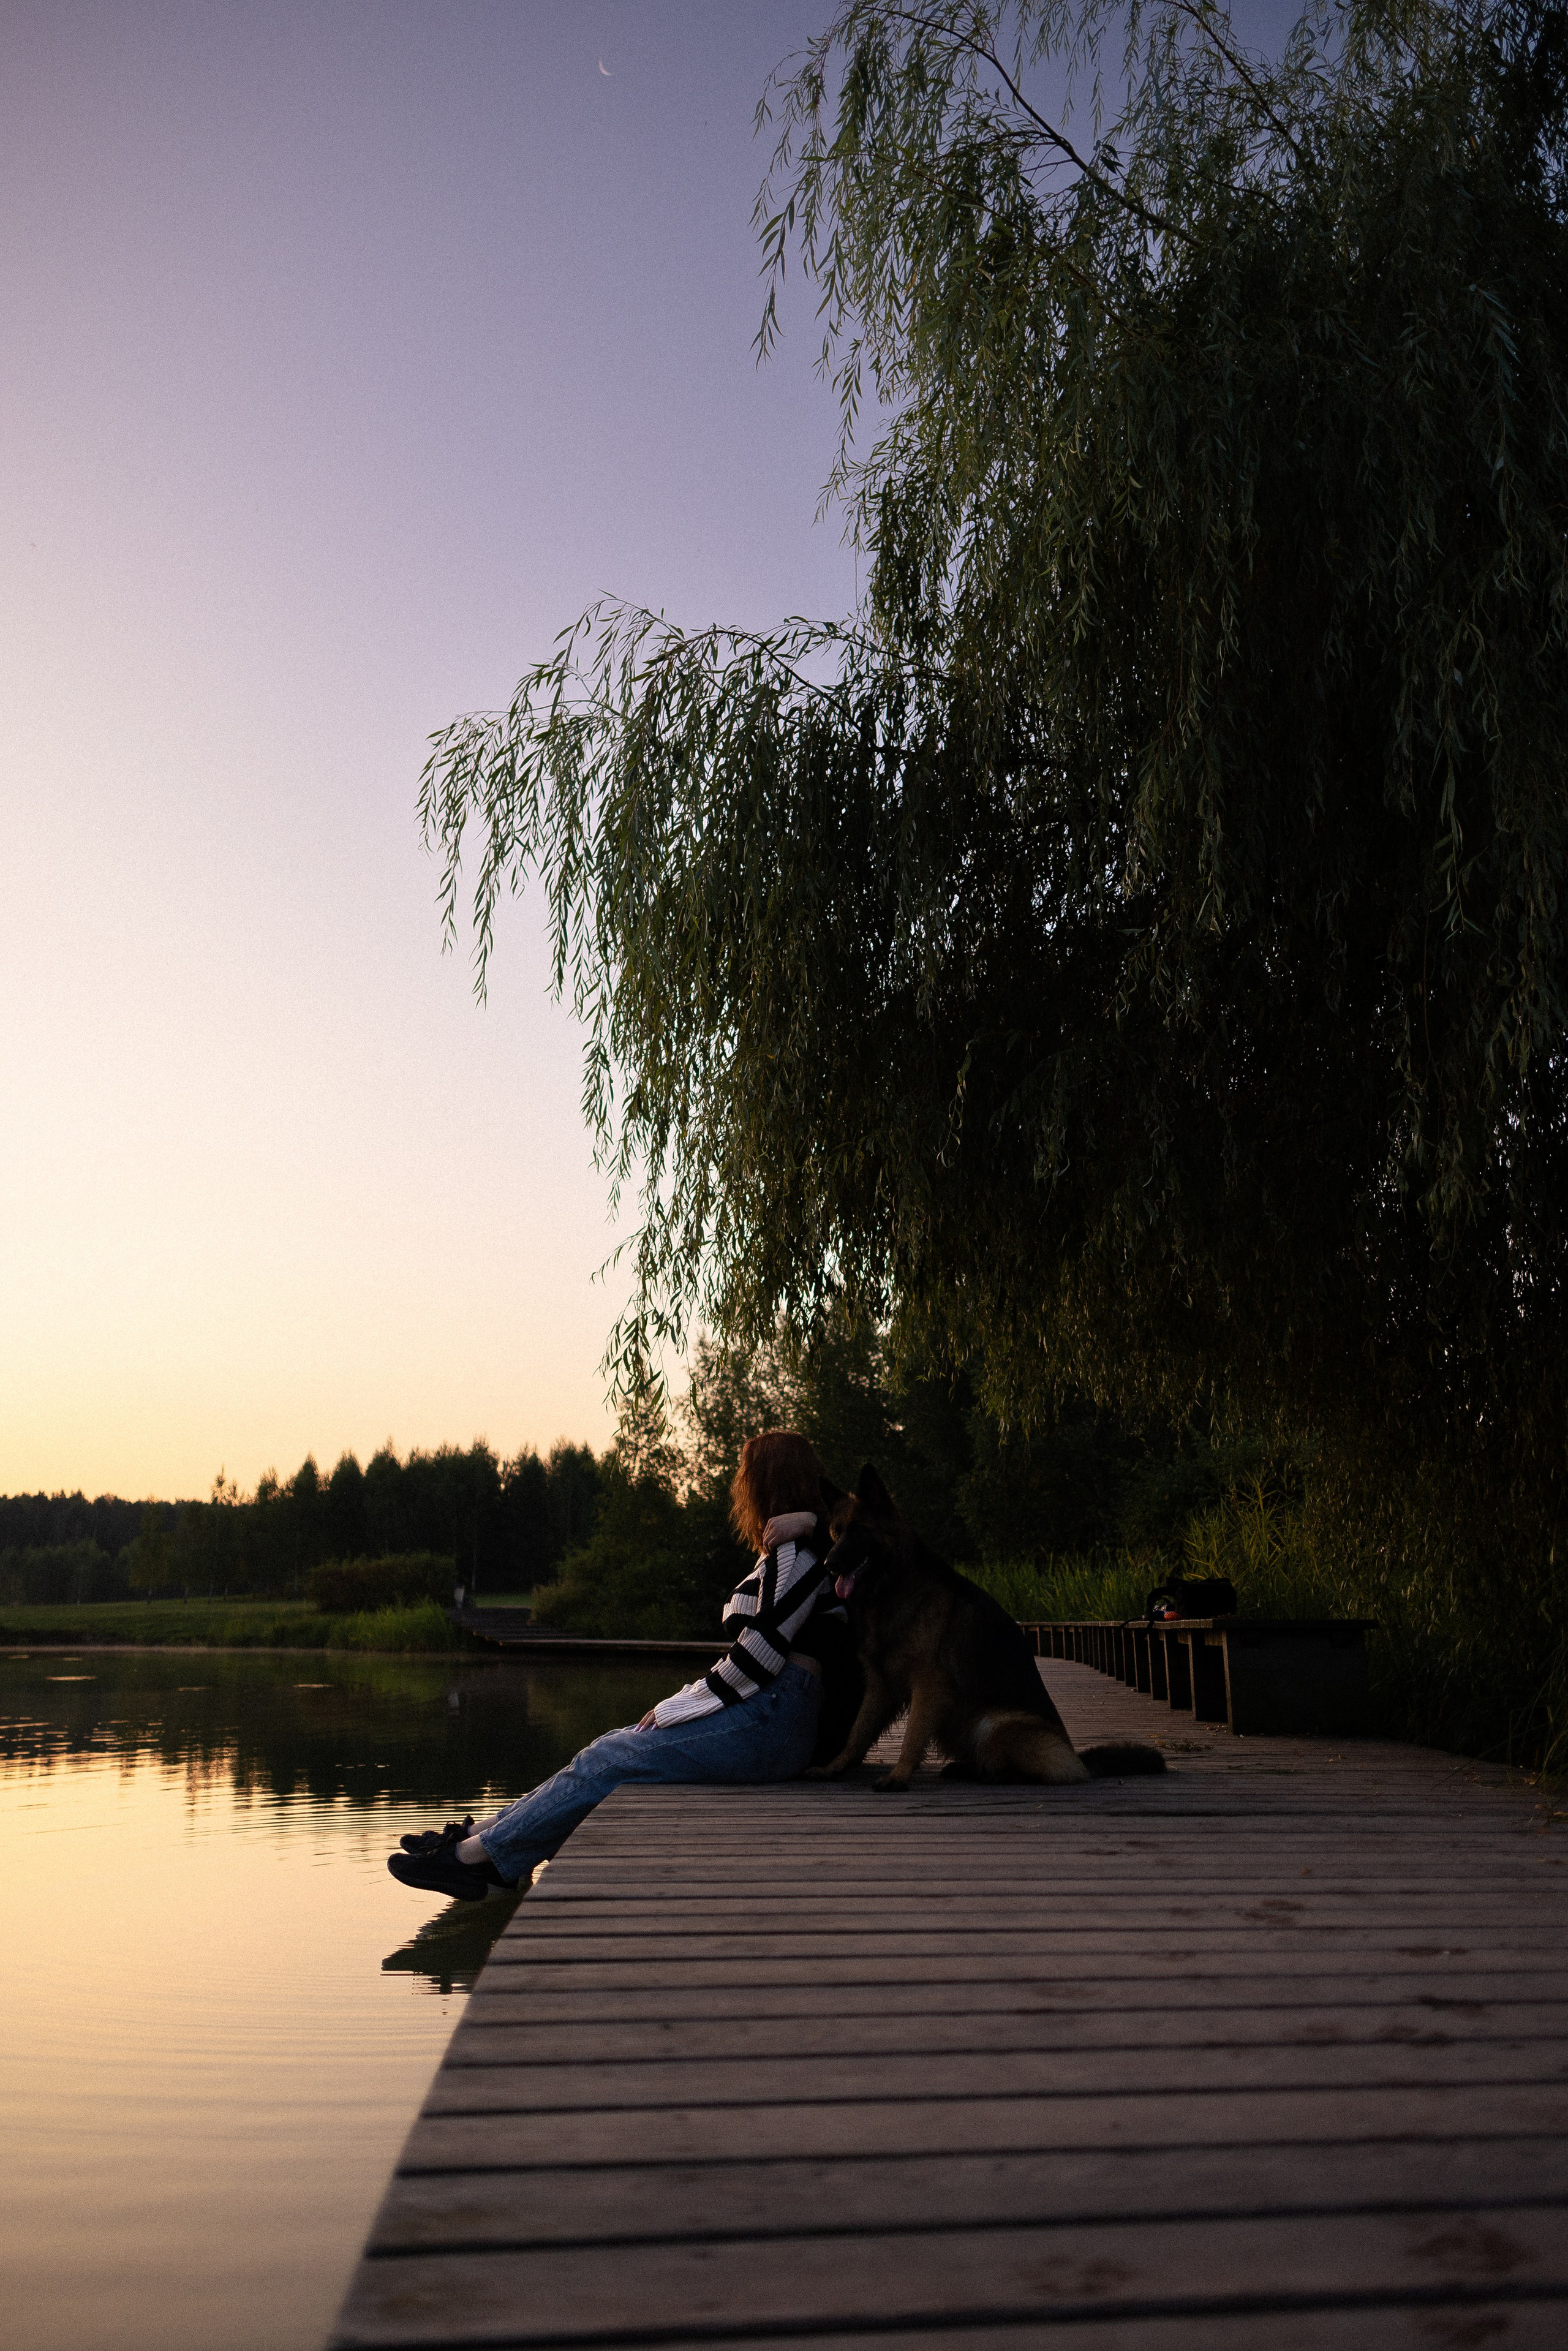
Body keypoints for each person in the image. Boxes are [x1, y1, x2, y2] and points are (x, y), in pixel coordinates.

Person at [386, 1428, 845, 1901]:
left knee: (612, 1757)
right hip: (772, 1714)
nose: (739, 1488)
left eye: (745, 1477)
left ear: (764, 1483)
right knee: (609, 1748)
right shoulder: (801, 1547)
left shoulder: (795, 1554)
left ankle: (477, 1860)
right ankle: (483, 1843)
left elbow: (760, 1656)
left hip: (773, 1719)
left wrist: (677, 1706)